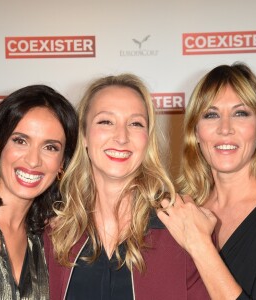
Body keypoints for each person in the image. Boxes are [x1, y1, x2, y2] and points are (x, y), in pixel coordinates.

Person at [44, 73, 210, 300]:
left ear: (147, 138)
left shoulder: (180, 227)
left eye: (135, 123)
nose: (121, 137)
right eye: (106, 121)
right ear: (83, 135)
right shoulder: (52, 231)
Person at [158, 62, 256, 299]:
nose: (225, 129)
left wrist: (199, 245)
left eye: (240, 113)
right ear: (196, 132)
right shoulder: (179, 209)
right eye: (211, 115)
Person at [0, 85, 78, 299]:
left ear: (62, 163)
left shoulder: (48, 241)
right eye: (20, 141)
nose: (33, 160)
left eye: (50, 147)